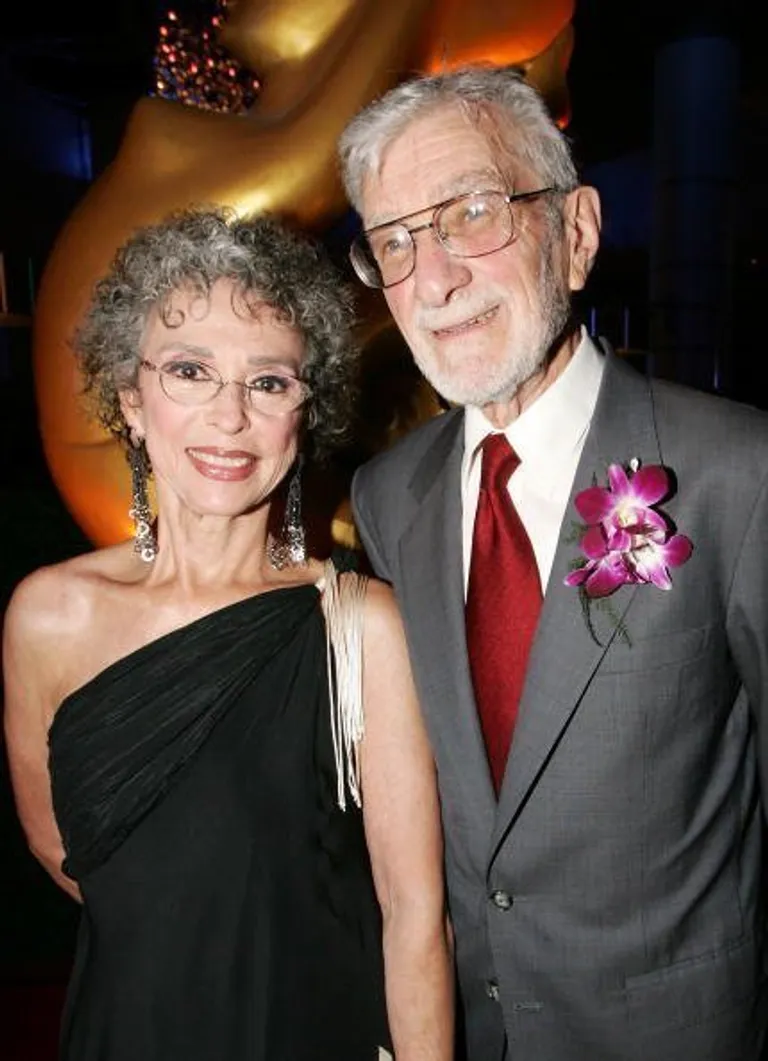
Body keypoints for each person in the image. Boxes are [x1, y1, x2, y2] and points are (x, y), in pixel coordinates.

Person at [338, 64, 768, 1061]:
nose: (432, 279)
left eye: (473, 214)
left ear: (575, 234)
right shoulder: (385, 496)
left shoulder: (736, 471)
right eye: (394, 242)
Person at [2, 207, 454, 1061]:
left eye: (269, 382)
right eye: (189, 371)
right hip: (124, 1027)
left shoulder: (359, 626)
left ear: (303, 413)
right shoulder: (46, 614)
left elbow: (414, 920)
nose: (230, 415)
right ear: (132, 401)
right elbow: (57, 845)